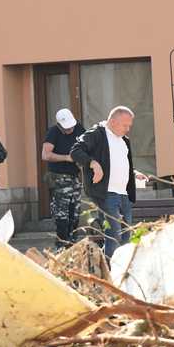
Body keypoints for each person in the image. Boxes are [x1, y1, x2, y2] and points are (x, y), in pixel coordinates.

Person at [70, 106, 147, 258]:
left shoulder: (124, 140)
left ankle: (118, 268)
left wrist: (133, 173)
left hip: (124, 194)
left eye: (129, 125)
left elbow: (118, 163)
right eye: (125, 125)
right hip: (106, 193)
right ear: (112, 121)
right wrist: (93, 163)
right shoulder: (97, 134)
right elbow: (75, 151)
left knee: (126, 235)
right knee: (114, 234)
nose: (128, 129)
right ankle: (111, 272)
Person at [42, 108, 85, 248]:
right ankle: (61, 247)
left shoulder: (79, 129)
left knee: (75, 214)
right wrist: (66, 158)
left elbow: (87, 147)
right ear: (59, 125)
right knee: (62, 217)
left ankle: (72, 245)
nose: (70, 130)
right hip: (59, 178)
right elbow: (46, 155)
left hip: (74, 177)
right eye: (66, 128)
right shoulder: (53, 132)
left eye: (71, 127)